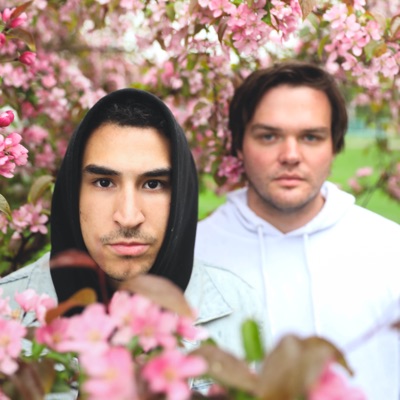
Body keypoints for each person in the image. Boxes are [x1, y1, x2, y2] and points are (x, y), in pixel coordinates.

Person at [0, 89, 259, 389]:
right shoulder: (7, 312)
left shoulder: (238, 309)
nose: (128, 216)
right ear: (73, 192)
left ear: (182, 195)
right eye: (104, 182)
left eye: (153, 184)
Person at [194, 61, 400, 399]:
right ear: (239, 145)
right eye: (269, 136)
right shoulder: (192, 254)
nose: (290, 155)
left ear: (334, 146)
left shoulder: (391, 250)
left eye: (310, 137)